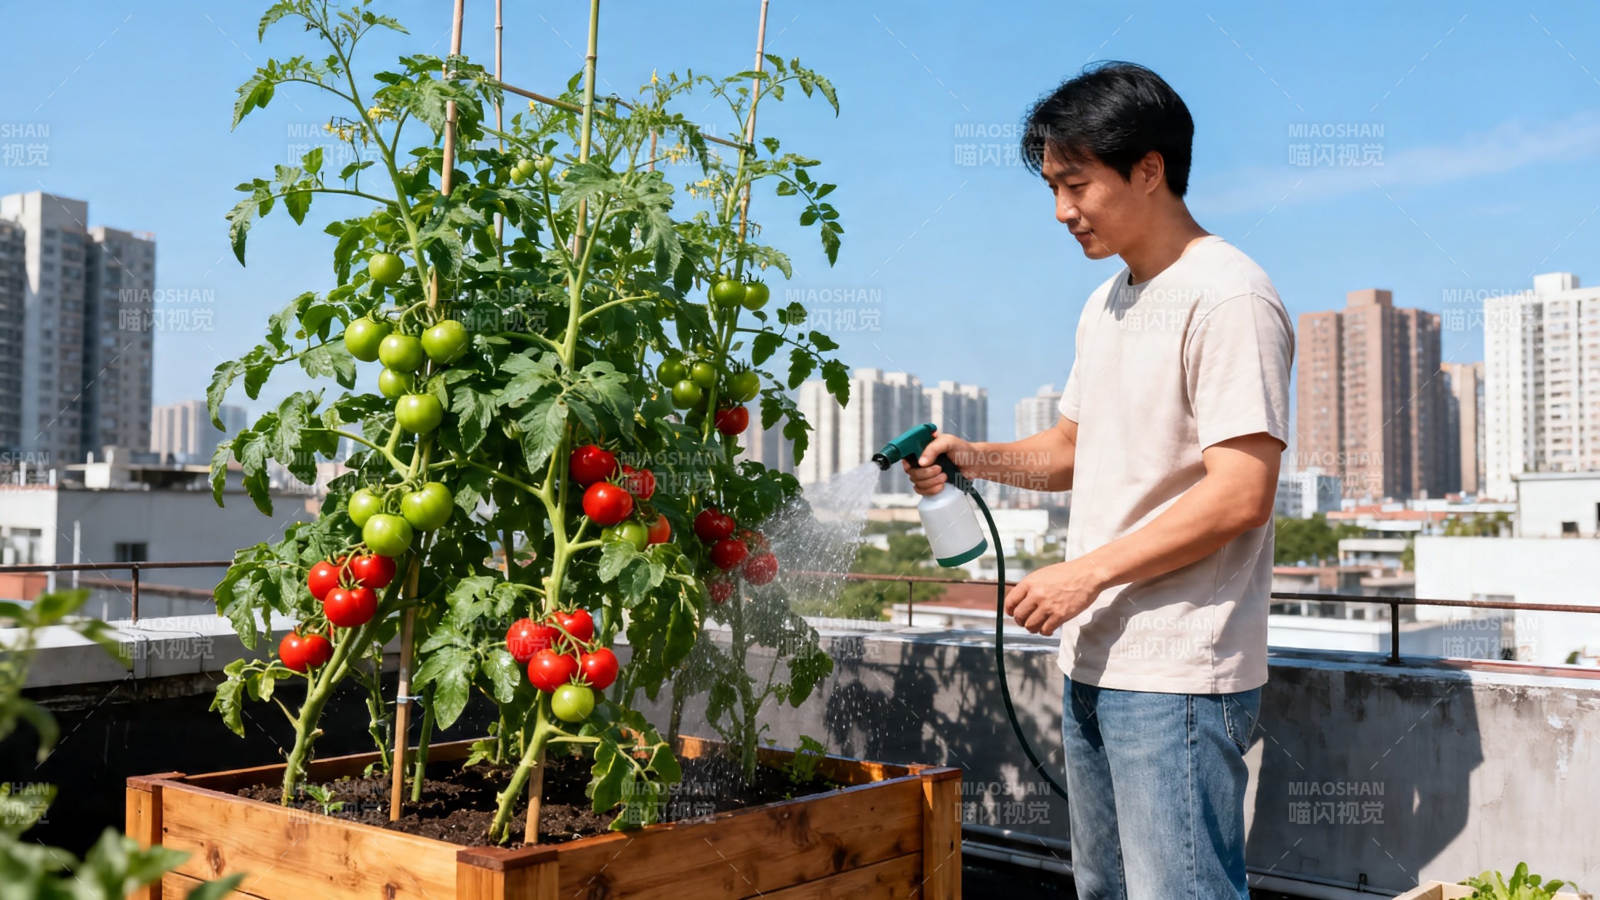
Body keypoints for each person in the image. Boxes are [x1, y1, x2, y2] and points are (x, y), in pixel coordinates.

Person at [903, 61, 1293, 899]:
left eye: (1075, 184)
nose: (1061, 212)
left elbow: (1241, 493)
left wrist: (1086, 572)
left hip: (1179, 672)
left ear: (1149, 169)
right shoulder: (1107, 301)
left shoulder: (1230, 297)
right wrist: (972, 455)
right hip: (1096, 660)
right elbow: (1072, 451)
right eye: (1052, 187)